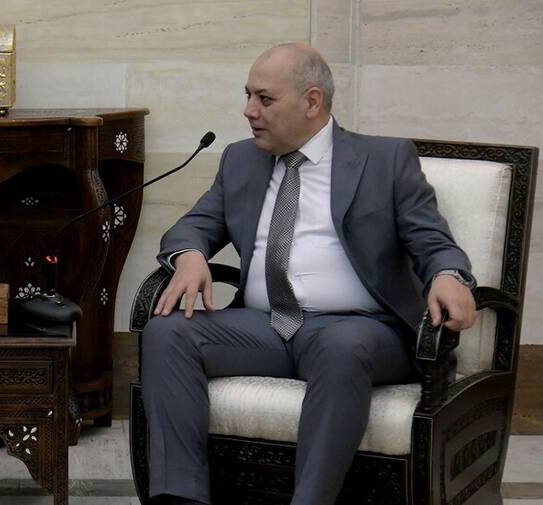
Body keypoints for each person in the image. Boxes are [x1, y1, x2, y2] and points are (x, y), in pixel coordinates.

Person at [141, 43, 477, 505]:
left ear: (312, 101)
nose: (249, 111)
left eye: (265, 99)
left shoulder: (384, 160)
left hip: (360, 330)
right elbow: (194, 225)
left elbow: (432, 240)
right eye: (247, 96)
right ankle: (180, 498)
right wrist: (189, 254)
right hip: (263, 329)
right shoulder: (240, 159)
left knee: (342, 347)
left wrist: (449, 275)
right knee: (166, 333)